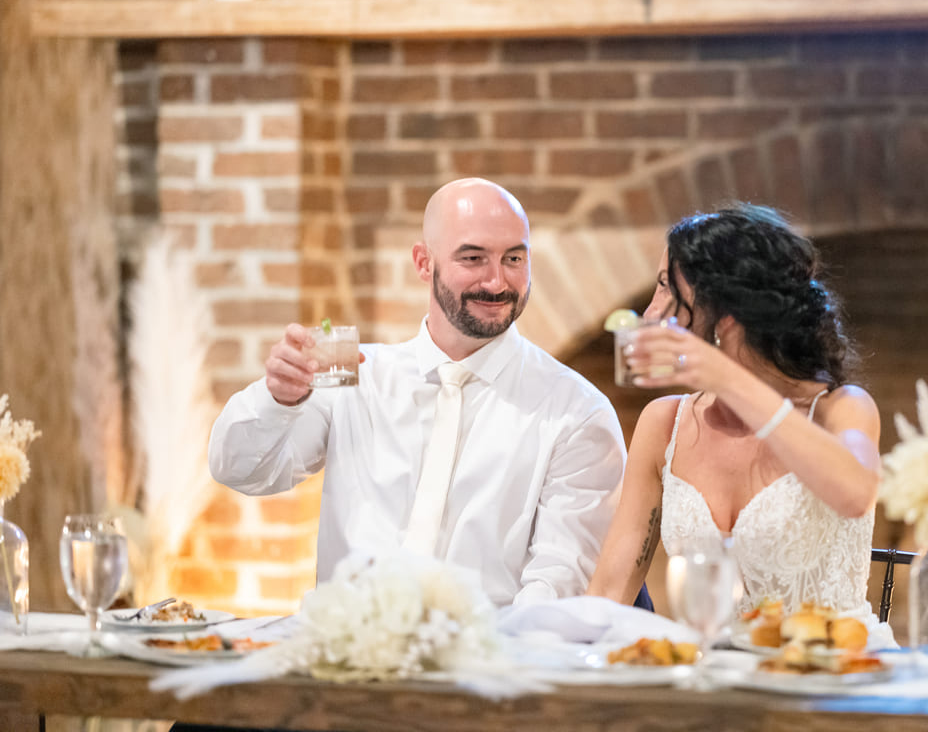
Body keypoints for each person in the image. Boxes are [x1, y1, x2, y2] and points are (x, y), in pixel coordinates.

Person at [209, 178, 626, 606]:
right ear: (424, 263)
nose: (498, 281)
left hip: (489, 660)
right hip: (345, 656)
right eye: (473, 257)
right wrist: (278, 399)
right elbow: (238, 469)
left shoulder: (578, 409)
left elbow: (557, 585)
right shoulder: (351, 367)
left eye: (514, 258)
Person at [587, 204, 893, 646]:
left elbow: (856, 493)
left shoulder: (840, 409)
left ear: (724, 317)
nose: (650, 314)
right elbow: (609, 592)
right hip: (717, 688)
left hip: (830, 678)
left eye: (664, 289)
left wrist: (726, 378)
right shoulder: (664, 423)